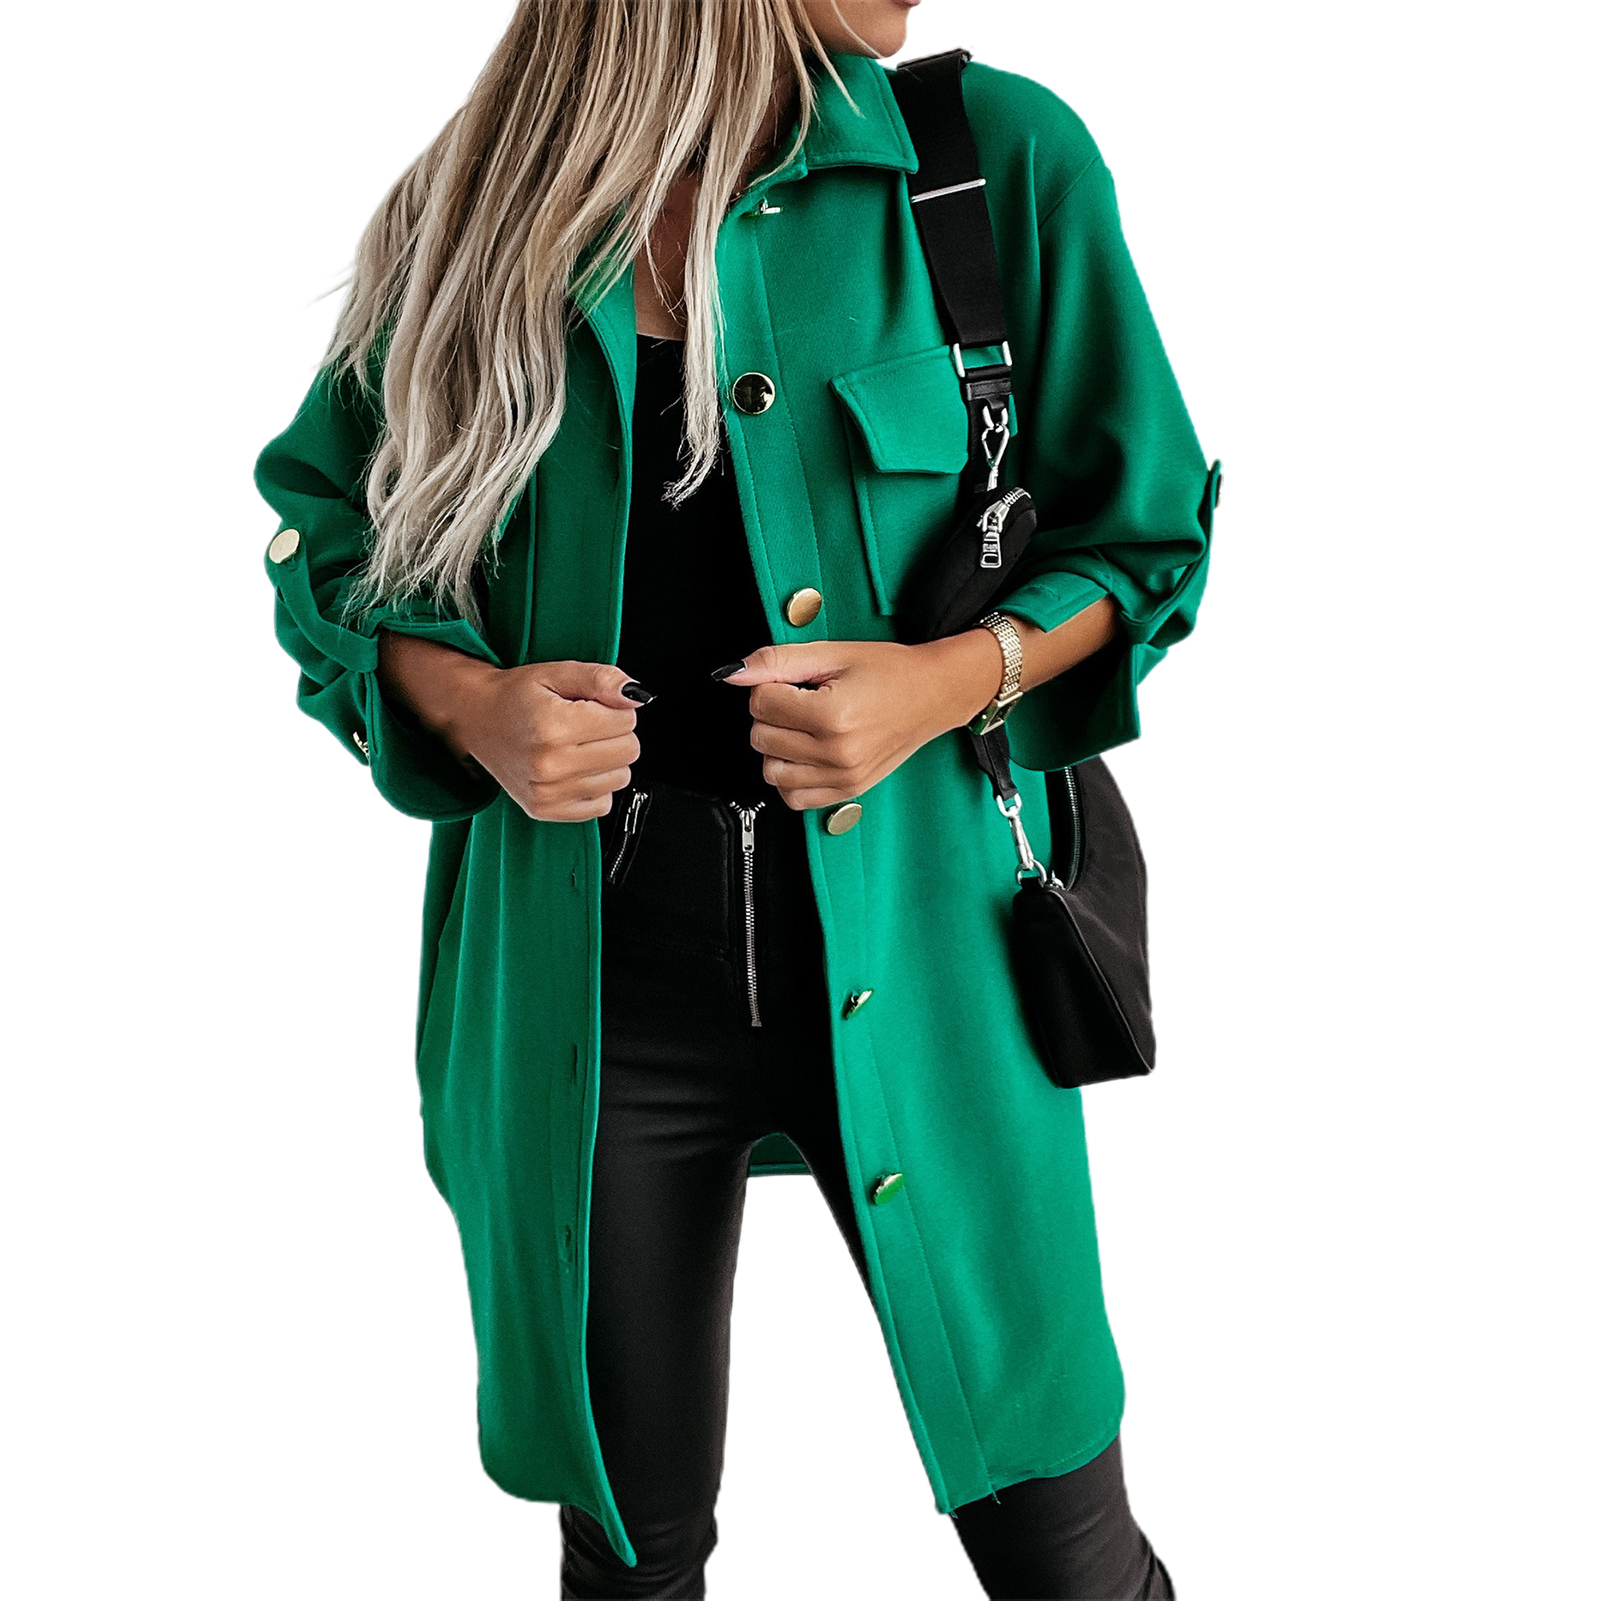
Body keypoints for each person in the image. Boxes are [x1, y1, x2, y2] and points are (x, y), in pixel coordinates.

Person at [256, 2, 1212, 1595]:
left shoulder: (987, 161)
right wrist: (475, 708)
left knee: (1063, 1544)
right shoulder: (473, 210)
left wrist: (944, 680)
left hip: (931, 952)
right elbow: (326, 542)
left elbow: (1143, 532)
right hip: (587, 975)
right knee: (627, 1546)